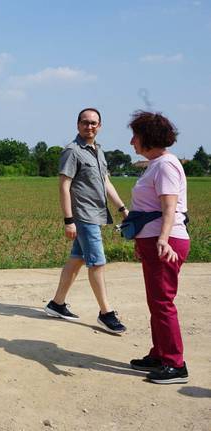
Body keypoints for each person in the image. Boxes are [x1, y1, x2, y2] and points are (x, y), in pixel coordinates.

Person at [44, 108, 129, 334]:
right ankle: (105, 313)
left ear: (99, 126)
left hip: (96, 213)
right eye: (85, 122)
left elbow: (105, 181)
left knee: (78, 258)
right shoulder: (72, 151)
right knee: (97, 262)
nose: (89, 126)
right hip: (83, 216)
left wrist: (122, 207)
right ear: (77, 125)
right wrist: (68, 220)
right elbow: (64, 186)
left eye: (93, 123)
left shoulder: (98, 151)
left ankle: (57, 304)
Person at [126, 111, 190, 384]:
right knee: (156, 301)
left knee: (163, 302)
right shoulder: (155, 164)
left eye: (136, 136)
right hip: (153, 240)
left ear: (147, 138)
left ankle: (175, 364)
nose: (132, 142)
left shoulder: (165, 165)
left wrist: (162, 240)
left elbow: (169, 207)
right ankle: (160, 353)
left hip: (165, 241)